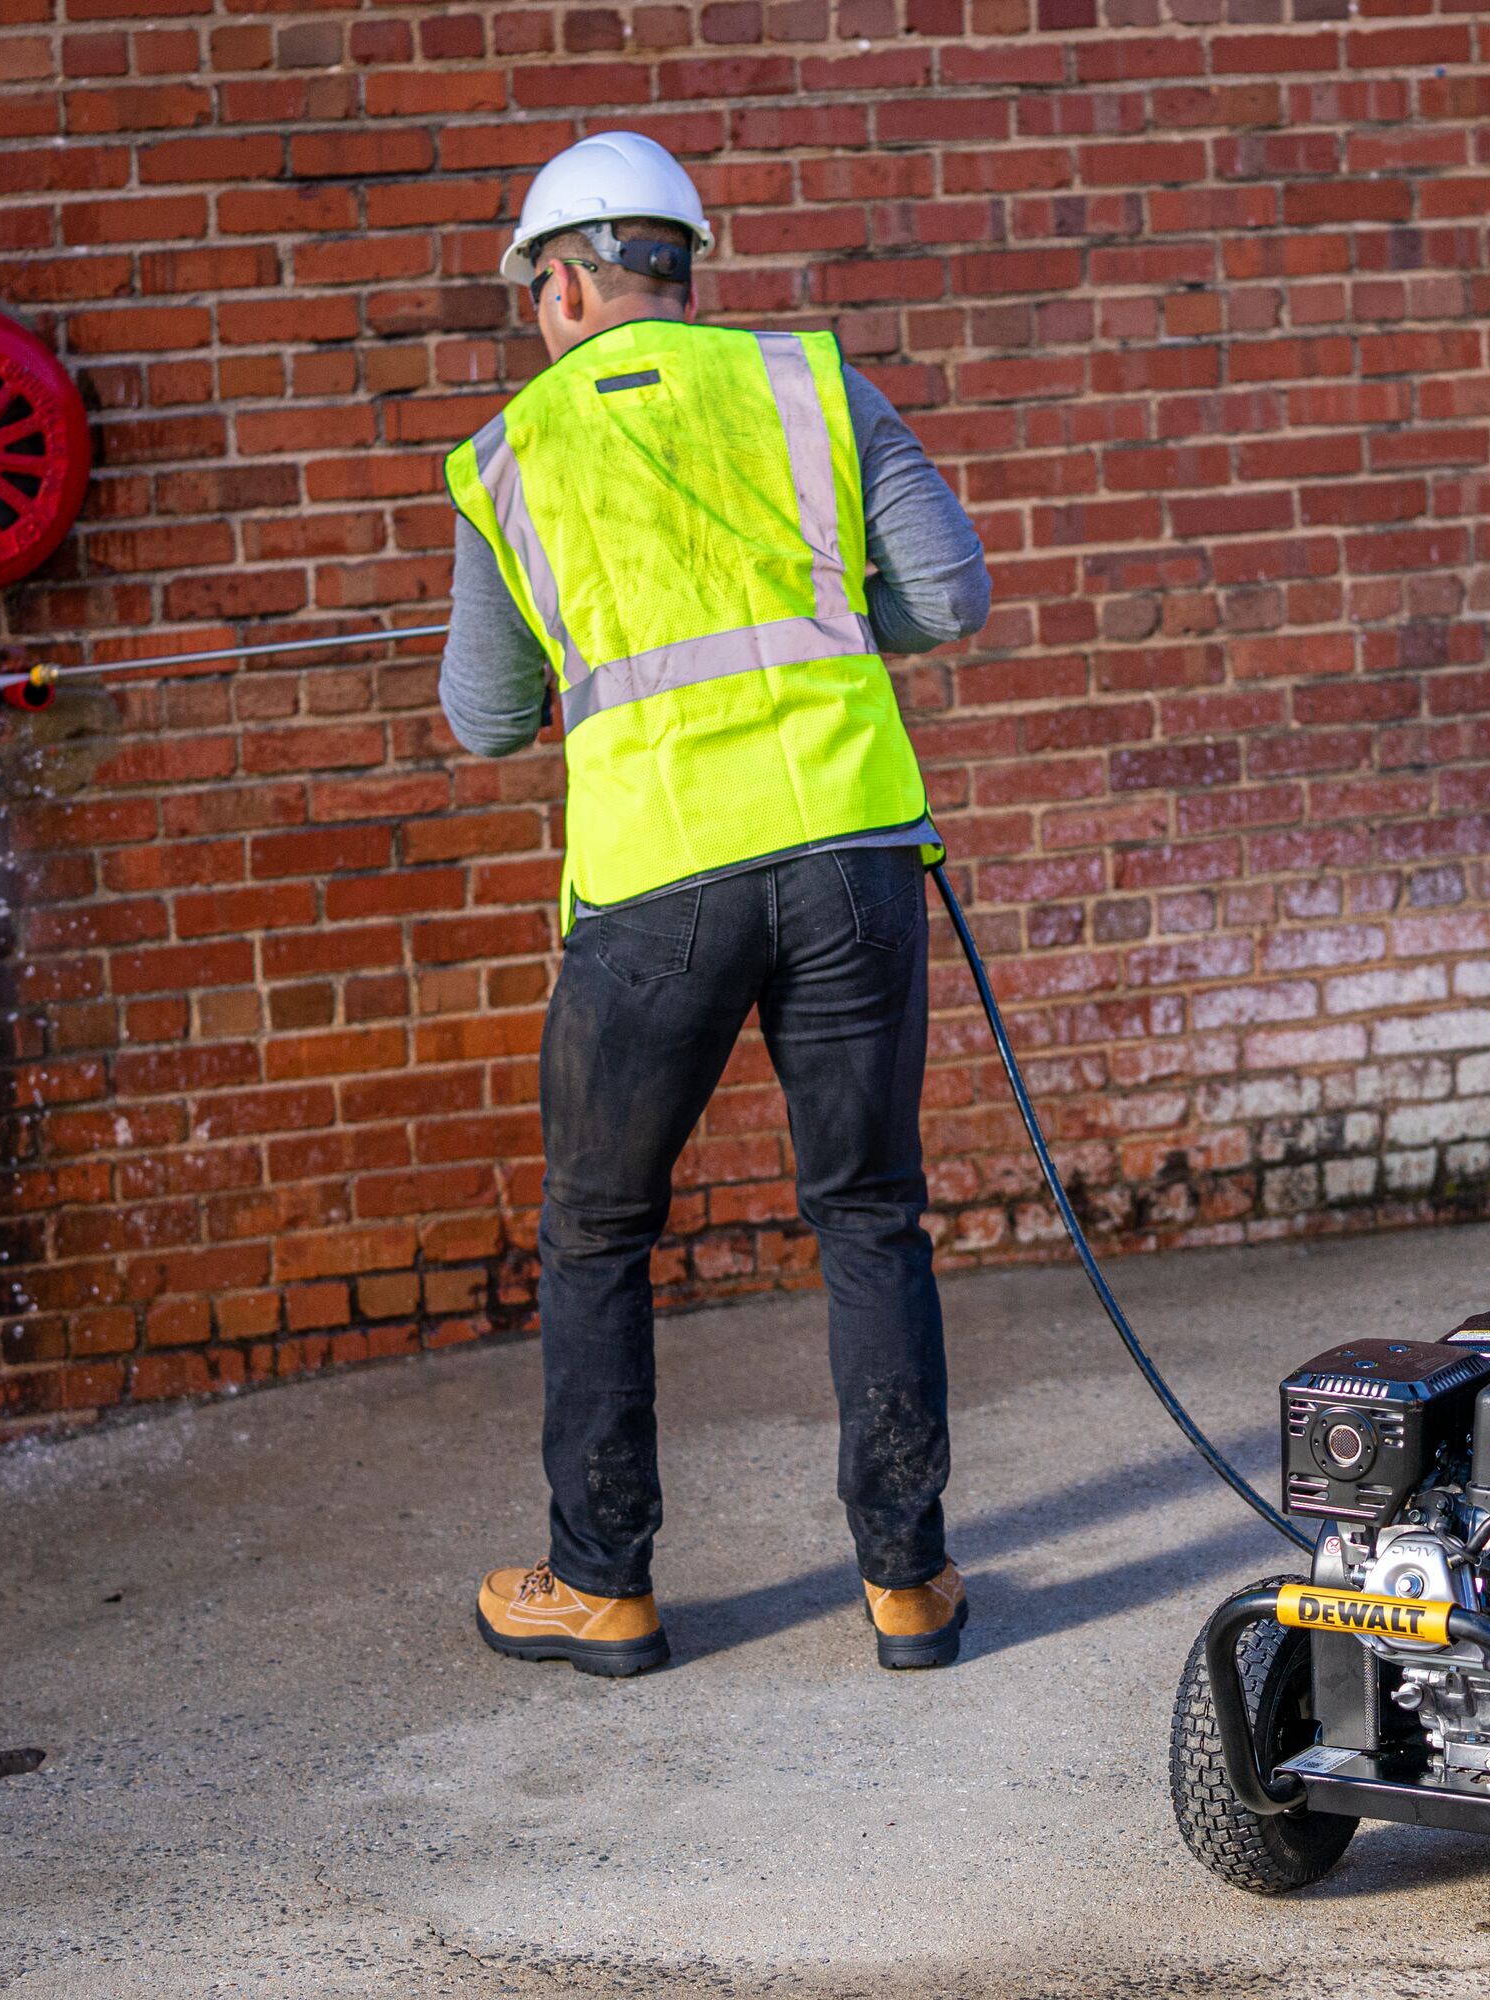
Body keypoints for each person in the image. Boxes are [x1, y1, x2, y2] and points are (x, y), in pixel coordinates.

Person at [440, 131, 991, 1677]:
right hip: (851, 853)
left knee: (600, 1233)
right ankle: (907, 1583)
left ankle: (603, 1586)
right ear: (682, 267)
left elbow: (484, 718)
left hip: (656, 887)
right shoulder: (814, 389)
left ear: (556, 287)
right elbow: (949, 596)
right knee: (870, 1211)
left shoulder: (510, 457)